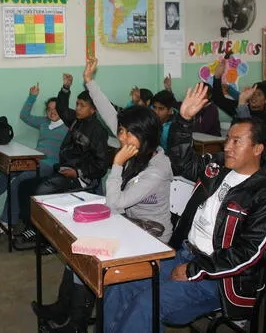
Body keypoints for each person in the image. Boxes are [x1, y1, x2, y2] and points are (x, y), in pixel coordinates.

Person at [104, 83, 266, 332]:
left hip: (219, 278)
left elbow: (247, 255)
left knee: (147, 303)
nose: (227, 146)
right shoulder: (218, 170)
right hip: (184, 254)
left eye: (237, 141)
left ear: (258, 149)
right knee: (119, 282)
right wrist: (184, 119)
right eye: (228, 139)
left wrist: (194, 270)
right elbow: (181, 160)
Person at [34, 59, 173, 333]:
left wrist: (117, 164)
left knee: (89, 256)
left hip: (150, 236)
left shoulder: (157, 167)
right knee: (78, 251)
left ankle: (77, 324)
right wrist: (89, 81)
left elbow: (116, 203)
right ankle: (65, 307)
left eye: (128, 133)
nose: (122, 138)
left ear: (145, 135)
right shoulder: (135, 146)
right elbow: (111, 114)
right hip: (127, 224)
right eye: (121, 132)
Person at [16, 73, 109, 242]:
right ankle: (32, 227)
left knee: (42, 192)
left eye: (82, 105)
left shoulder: (98, 131)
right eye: (77, 104)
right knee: (24, 186)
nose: (78, 108)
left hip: (82, 178)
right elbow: (62, 108)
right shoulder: (76, 120)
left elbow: (101, 164)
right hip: (65, 170)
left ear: (93, 109)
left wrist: (77, 172)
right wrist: (65, 88)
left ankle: (48, 240)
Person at [0, 84, 68, 226]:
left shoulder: (67, 126)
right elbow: (24, 116)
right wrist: (32, 96)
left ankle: (7, 221)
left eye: (55, 109)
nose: (52, 112)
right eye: (49, 109)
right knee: (7, 170)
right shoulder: (44, 122)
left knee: (17, 183)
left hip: (49, 165)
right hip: (34, 160)